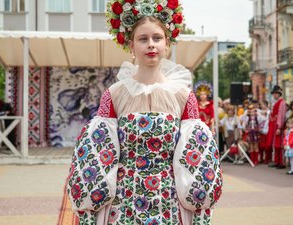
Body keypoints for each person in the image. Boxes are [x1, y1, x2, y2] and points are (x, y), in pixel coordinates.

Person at [66, 1, 223, 224]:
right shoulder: (114, 94)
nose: (151, 44)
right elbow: (98, 154)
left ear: (167, 44)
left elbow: (196, 158)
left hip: (169, 203)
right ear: (131, 46)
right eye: (143, 39)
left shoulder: (183, 96)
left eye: (157, 38)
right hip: (124, 204)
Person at [266, 85, 286, 168]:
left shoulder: (282, 102)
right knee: (275, 144)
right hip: (274, 125)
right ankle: (276, 160)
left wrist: (279, 127)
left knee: (280, 144)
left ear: (279, 94)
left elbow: (281, 115)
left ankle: (281, 162)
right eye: (273, 93)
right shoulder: (275, 102)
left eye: (276, 93)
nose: (274, 95)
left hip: (278, 126)